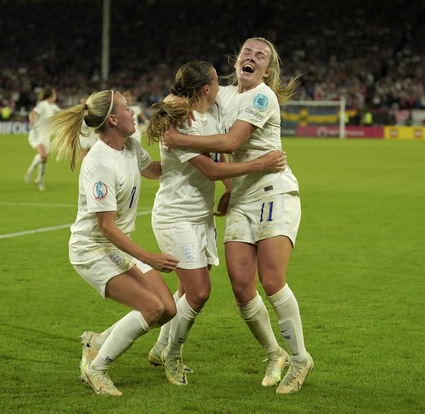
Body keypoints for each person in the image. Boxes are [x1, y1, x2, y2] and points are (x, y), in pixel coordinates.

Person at [162, 37, 314, 394]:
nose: (252, 57)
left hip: (274, 190)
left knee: (272, 280)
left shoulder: (263, 97)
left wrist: (179, 141)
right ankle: (273, 354)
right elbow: (189, 103)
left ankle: (300, 359)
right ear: (236, 60)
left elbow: (230, 143)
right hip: (243, 196)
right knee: (242, 288)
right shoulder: (224, 95)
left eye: (260, 56)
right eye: (247, 52)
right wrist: (169, 103)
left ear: (268, 69)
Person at [144, 60, 287, 386]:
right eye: (215, 82)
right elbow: (210, 169)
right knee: (199, 291)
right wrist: (260, 163)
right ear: (207, 89)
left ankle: (159, 346)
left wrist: (228, 190)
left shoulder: (206, 115)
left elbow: (217, 159)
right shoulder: (179, 119)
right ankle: (173, 354)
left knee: (185, 290)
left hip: (200, 216)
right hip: (175, 216)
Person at [49, 89, 180, 396]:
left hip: (117, 246)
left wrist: (193, 156)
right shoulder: (98, 164)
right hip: (91, 250)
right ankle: (96, 369)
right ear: (112, 119)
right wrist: (149, 257)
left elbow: (154, 171)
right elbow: (106, 227)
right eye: (126, 108)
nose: (133, 112)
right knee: (150, 308)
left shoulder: (131, 146)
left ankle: (96, 342)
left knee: (168, 309)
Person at [24, 87, 60, 191]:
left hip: (46, 136)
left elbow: (62, 112)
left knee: (44, 159)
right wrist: (32, 121)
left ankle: (39, 179)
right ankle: (31, 169)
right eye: (55, 94)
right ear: (51, 96)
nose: (56, 96)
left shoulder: (53, 107)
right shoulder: (42, 105)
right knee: (43, 155)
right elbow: (32, 113)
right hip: (36, 134)